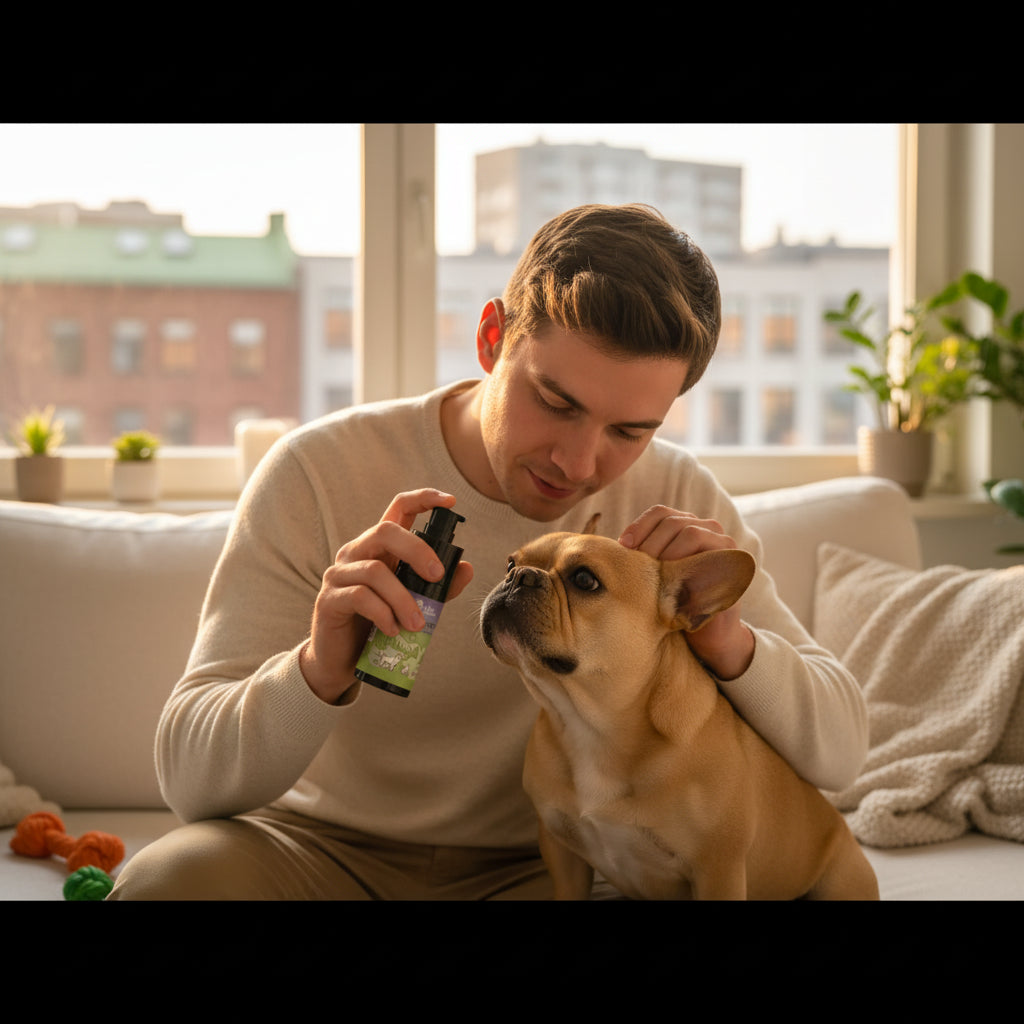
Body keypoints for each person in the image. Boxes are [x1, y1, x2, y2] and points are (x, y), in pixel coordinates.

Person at [108, 203, 867, 900]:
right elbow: (189, 784)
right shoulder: (319, 470)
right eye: (555, 402)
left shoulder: (676, 508)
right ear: (491, 338)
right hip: (315, 850)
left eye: (629, 432)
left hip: (543, 869)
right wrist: (316, 668)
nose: (577, 461)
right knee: (162, 883)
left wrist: (722, 632)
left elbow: (840, 752)